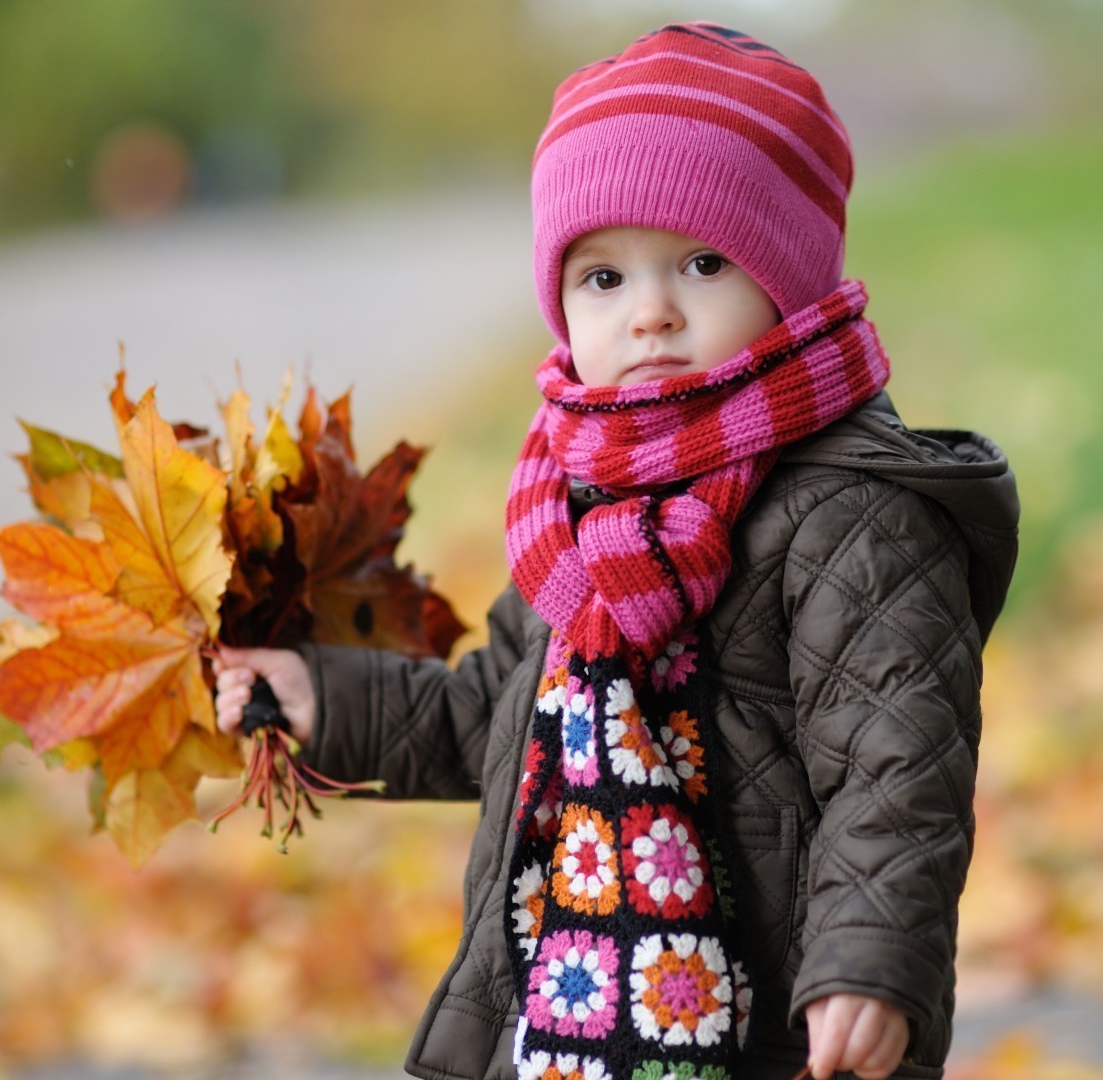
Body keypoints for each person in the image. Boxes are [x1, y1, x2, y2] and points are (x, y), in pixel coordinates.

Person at [213, 22, 1019, 1080]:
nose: (651, 314)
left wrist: (868, 965)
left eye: (701, 261)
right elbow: (495, 713)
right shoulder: (578, 507)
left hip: (762, 1015)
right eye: (604, 279)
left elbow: (896, 766)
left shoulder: (851, 511)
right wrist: (333, 703)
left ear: (791, 280)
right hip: (569, 1007)